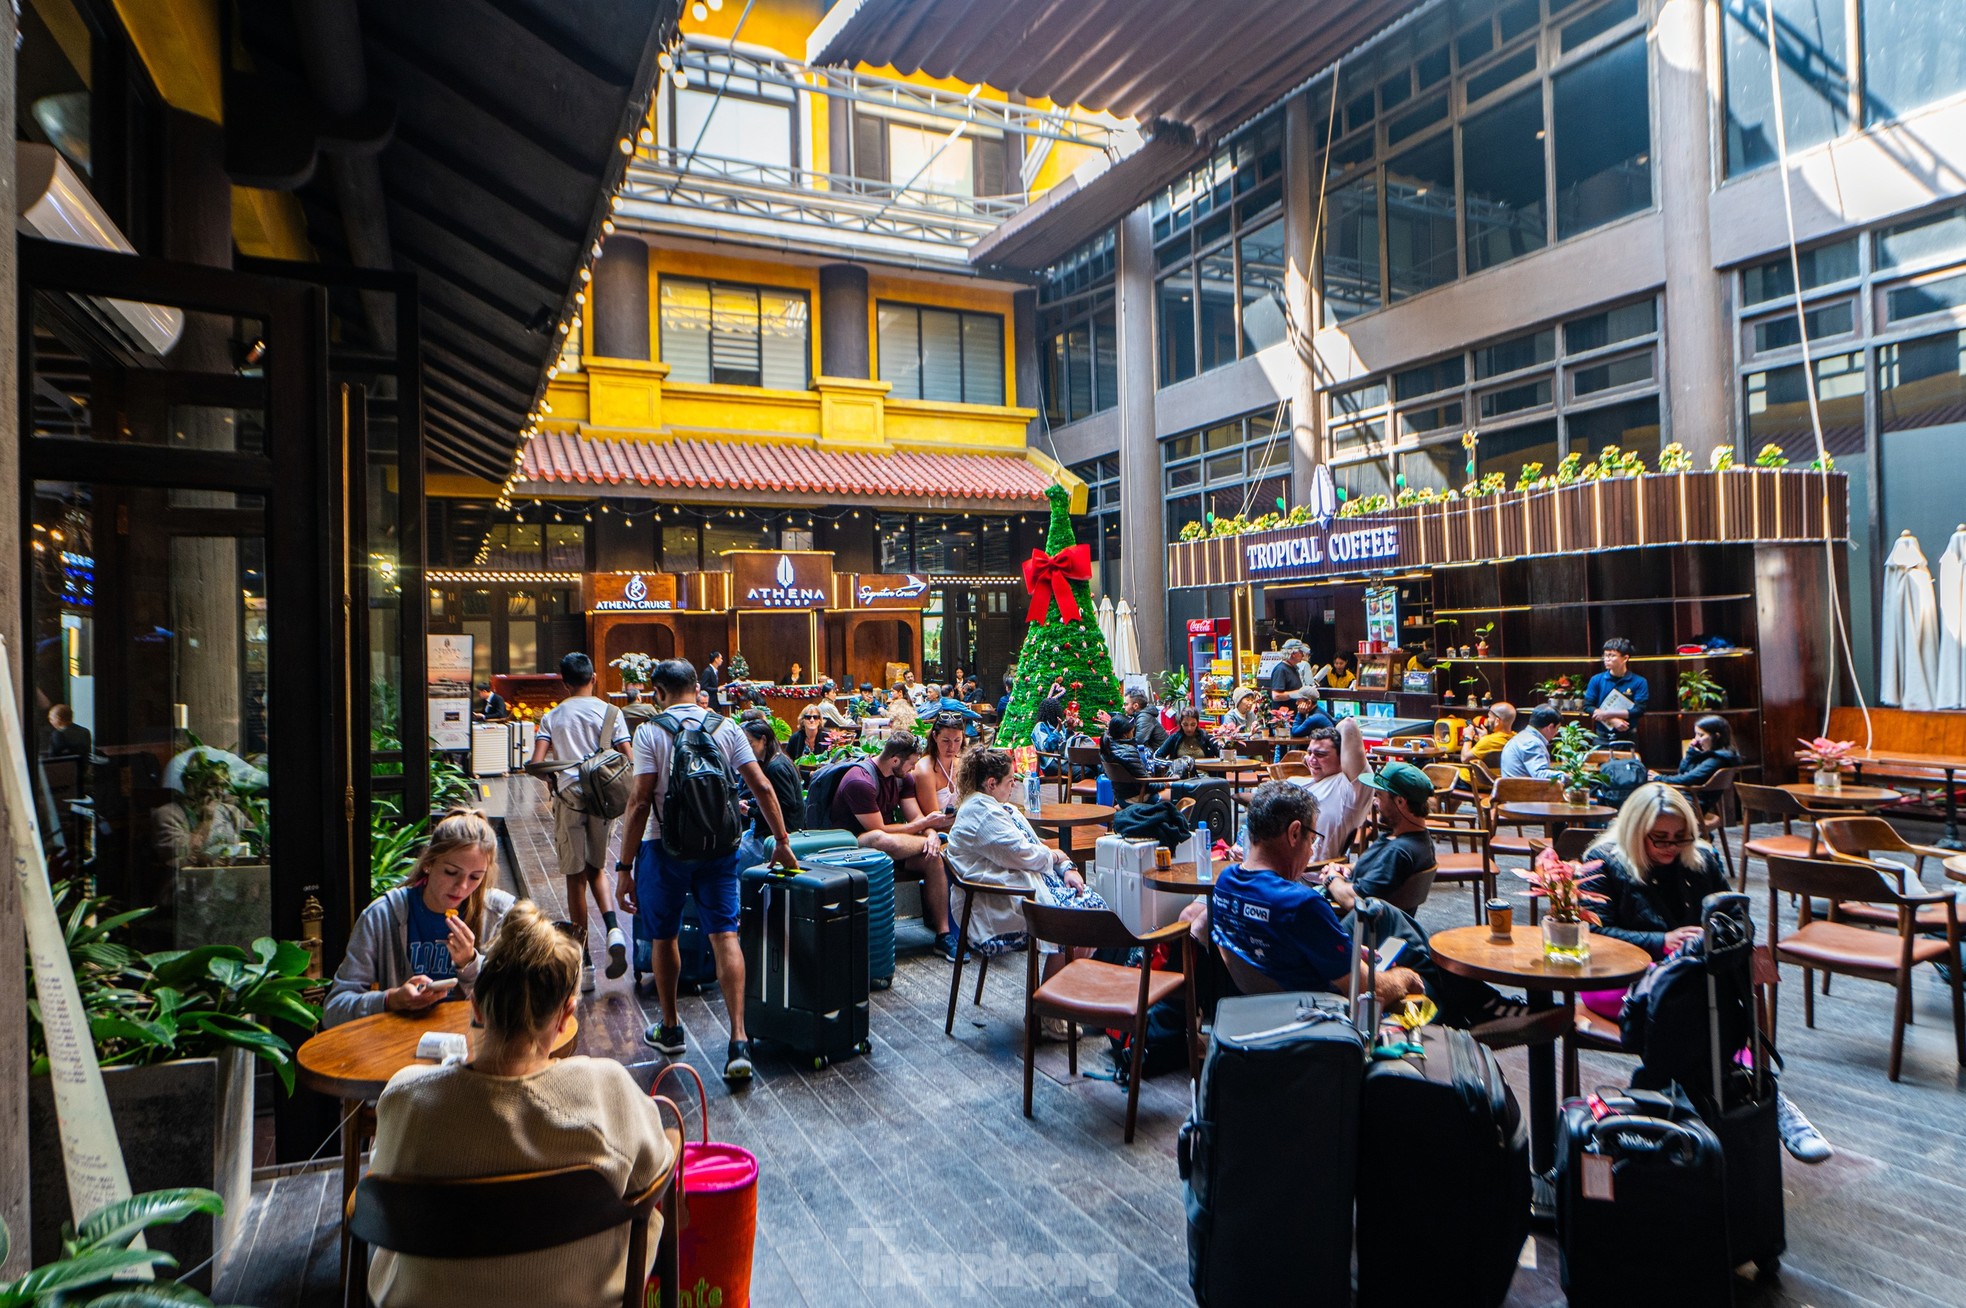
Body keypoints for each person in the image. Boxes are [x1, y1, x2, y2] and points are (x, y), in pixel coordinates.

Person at [365, 900, 675, 1308]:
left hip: (428, 1299)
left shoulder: (407, 1098)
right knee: (668, 1137)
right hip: (578, 1297)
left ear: (476, 1006)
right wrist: (673, 1137)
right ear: (566, 1015)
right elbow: (654, 1174)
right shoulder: (607, 1089)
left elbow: (382, 1181)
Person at [1582, 784, 1833, 1164]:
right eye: (1659, 838)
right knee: (1699, 999)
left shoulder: (1702, 860)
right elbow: (1593, 933)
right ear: (1635, 831)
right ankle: (1769, 1098)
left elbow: (1734, 917)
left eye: (1680, 837)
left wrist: (1718, 936)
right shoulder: (1603, 861)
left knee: (1698, 995)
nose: (1670, 847)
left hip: (1692, 984)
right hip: (1621, 980)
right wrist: (1661, 940)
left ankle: (1694, 1113)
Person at [614, 659, 795, 1082]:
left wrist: (624, 867)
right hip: (720, 847)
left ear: (658, 691)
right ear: (698, 688)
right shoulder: (726, 727)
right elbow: (763, 786)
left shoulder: (649, 732)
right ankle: (738, 1041)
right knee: (725, 935)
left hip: (664, 848)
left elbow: (640, 802)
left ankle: (672, 1028)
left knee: (664, 935)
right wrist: (782, 841)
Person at [1210, 782, 1427, 1007]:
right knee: (1419, 965)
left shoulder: (1224, 883)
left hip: (1267, 1001)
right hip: (1318, 1010)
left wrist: (1339, 949)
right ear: (1295, 833)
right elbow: (1370, 989)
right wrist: (1404, 977)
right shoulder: (1301, 904)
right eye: (1312, 839)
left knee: (1383, 913)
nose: (1312, 850)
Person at [324, 809, 515, 1027]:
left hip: (472, 1044)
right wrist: (390, 1000)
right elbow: (334, 1010)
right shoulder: (382, 915)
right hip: (399, 1045)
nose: (462, 887)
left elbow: (512, 1004)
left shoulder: (497, 914)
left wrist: (469, 963)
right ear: (428, 864)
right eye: (451, 872)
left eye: (475, 877)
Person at [945, 747, 1106, 978]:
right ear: (991, 784)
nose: (1015, 786)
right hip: (998, 903)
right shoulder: (982, 814)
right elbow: (1026, 854)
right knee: (1082, 918)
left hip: (1022, 890)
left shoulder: (1000, 807)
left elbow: (1035, 847)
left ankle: (1055, 999)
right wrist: (1059, 857)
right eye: (1010, 781)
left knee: (1092, 907)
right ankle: (1048, 1004)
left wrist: (1067, 866)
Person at [528, 652, 632, 992]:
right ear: (595, 677)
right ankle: (614, 928)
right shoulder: (611, 712)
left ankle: (584, 963)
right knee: (597, 869)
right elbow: (628, 758)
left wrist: (553, 778)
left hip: (570, 797)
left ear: (564, 681)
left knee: (575, 878)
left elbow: (536, 762)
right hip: (602, 800)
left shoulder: (553, 716)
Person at [831, 731, 956, 957]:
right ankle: (929, 845)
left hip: (896, 845)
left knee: (933, 857)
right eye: (910, 764)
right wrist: (926, 832)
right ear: (895, 760)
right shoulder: (860, 781)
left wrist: (930, 834)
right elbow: (878, 829)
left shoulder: (902, 778)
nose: (912, 769)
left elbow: (916, 818)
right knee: (882, 839)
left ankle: (943, 935)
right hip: (856, 848)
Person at [1290, 718, 1369, 861]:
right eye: (1310, 753)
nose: (1312, 760)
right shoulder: (1298, 782)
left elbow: (1348, 725)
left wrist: (1332, 733)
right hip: (1277, 864)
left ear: (1342, 757)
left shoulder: (1349, 787)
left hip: (1309, 874)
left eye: (1320, 755)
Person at [737, 717, 804, 870]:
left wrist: (750, 811)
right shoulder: (777, 761)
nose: (745, 749)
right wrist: (751, 803)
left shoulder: (776, 767)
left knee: (731, 863)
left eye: (749, 744)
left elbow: (785, 806)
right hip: (768, 834)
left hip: (774, 838)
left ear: (764, 740)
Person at [1584, 637, 1648, 744]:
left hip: (1628, 736)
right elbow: (1587, 706)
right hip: (1602, 737)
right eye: (1605, 655)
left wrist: (1606, 714)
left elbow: (1639, 710)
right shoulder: (1596, 680)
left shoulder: (1639, 681)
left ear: (1625, 658)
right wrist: (1612, 720)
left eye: (1612, 655)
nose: (1607, 659)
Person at [1098, 713, 1174, 804]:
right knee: (1180, 792)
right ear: (1125, 735)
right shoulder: (1128, 751)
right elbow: (1146, 784)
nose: (1133, 735)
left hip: (1120, 797)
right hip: (1137, 797)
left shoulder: (1107, 748)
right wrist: (1167, 783)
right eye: (1132, 732)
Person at [1652, 715, 1741, 787]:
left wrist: (1659, 778)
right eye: (1696, 734)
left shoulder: (1717, 759)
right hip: (1687, 795)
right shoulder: (1711, 756)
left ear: (1716, 736)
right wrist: (1691, 751)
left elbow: (1688, 779)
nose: (1696, 739)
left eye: (1701, 735)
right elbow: (1682, 771)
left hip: (1691, 800)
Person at [913, 711, 970, 822]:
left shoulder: (962, 763)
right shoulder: (925, 769)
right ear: (935, 736)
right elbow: (934, 820)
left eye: (957, 740)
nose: (952, 747)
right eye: (945, 741)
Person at [1499, 704, 1562, 779]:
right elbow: (1540, 775)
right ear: (1550, 727)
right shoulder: (1532, 742)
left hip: (1516, 788)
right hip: (1523, 790)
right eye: (1557, 729)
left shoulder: (1524, 736)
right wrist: (1569, 777)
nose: (1556, 733)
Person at [1462, 703, 1517, 771]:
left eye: (1489, 717)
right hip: (1496, 778)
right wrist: (1484, 738)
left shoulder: (1488, 741)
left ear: (1497, 721)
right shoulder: (1516, 738)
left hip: (1473, 780)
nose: (1488, 720)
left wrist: (1468, 737)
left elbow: (1464, 759)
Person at [1156, 708, 1220, 762]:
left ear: (1197, 723)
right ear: (1180, 723)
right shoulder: (1174, 738)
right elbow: (1157, 756)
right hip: (1180, 775)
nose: (1189, 729)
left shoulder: (1205, 737)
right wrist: (1173, 764)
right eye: (1185, 725)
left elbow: (1221, 754)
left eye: (1193, 725)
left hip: (1203, 775)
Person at [1267, 639, 1311, 706]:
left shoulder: (1293, 668)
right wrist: (1299, 693)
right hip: (1284, 715)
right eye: (1301, 652)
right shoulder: (1281, 670)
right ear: (1293, 654)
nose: (1303, 655)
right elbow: (1276, 696)